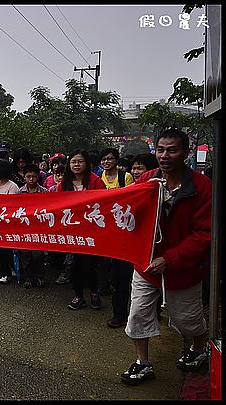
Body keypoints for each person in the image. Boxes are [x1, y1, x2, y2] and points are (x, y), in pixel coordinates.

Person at [120, 128, 212, 385]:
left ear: (186, 153)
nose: (165, 155)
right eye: (160, 150)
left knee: (188, 320)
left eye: (172, 150)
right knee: (137, 314)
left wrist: (170, 259)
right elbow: (128, 214)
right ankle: (142, 362)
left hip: (183, 270)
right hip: (146, 265)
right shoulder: (147, 180)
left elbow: (204, 234)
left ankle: (197, 348)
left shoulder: (202, 187)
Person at [57, 149, 107, 310]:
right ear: (69, 165)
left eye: (80, 161)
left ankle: (94, 293)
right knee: (75, 265)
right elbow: (56, 206)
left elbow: (104, 203)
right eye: (73, 162)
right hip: (72, 231)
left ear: (87, 163)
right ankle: (78, 296)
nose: (77, 165)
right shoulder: (63, 183)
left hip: (91, 230)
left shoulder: (96, 181)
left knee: (91, 264)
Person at [98, 148, 136, 328]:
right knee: (109, 272)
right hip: (104, 232)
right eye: (103, 159)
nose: (106, 162)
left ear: (116, 160)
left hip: (122, 232)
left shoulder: (125, 177)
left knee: (122, 275)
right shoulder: (97, 179)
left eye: (110, 158)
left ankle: (121, 313)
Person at [0, 158, 20, 284]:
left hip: (8, 224)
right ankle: (4, 272)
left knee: (6, 249)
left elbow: (12, 207)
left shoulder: (12, 186)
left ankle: (9, 271)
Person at [18, 164, 48, 288]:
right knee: (25, 254)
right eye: (28, 176)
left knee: (38, 255)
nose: (31, 179)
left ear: (38, 177)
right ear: (24, 177)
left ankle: (39, 276)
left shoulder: (44, 192)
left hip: (39, 228)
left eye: (34, 176)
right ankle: (28, 277)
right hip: (24, 228)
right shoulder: (20, 192)